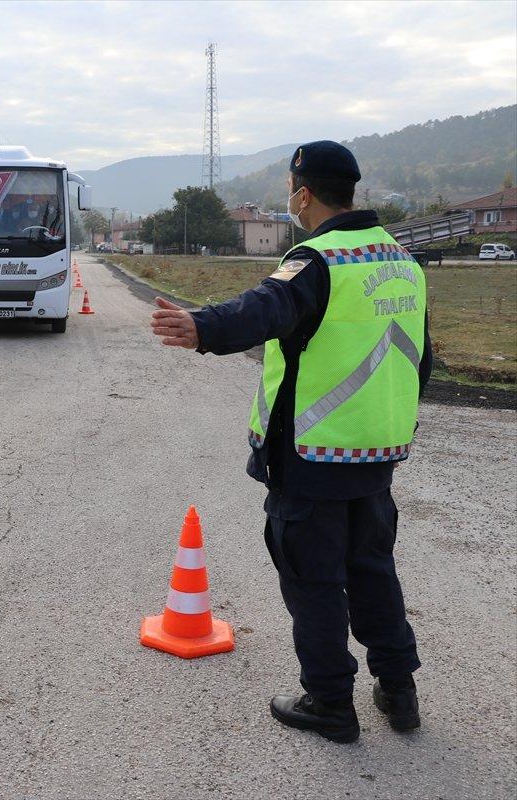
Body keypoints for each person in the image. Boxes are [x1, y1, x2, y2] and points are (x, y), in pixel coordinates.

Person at [149, 140, 431, 744]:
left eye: (289, 189)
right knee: (373, 571)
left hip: (313, 454)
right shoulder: (403, 260)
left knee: (313, 580)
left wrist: (201, 326)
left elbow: (265, 307)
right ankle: (399, 691)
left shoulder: (318, 260)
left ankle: (330, 702)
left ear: (303, 195)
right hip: (375, 454)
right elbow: (420, 361)